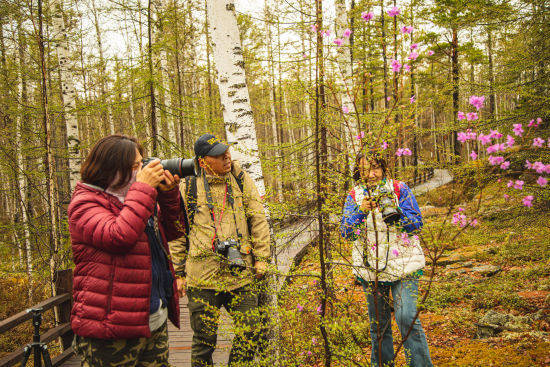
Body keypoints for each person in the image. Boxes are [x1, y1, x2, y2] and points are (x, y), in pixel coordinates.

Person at [67, 134, 186, 366]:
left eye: (141, 163)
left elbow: (174, 232)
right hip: (111, 330)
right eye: (135, 166)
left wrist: (169, 194)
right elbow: (119, 236)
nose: (142, 170)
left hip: (152, 320)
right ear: (112, 168)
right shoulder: (85, 203)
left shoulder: (135, 198)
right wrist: (143, 189)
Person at [170, 133, 271, 367]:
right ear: (204, 161)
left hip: (240, 273)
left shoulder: (240, 178)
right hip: (202, 277)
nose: (227, 157)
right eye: (219, 155)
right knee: (204, 341)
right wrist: (178, 273)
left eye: (227, 152)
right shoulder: (188, 186)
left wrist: (262, 257)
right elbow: (177, 233)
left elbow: (257, 218)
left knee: (250, 330)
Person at [340, 151, 432, 367]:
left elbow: (416, 224)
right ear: (358, 171)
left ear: (383, 168)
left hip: (405, 265)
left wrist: (395, 212)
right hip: (371, 269)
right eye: (365, 169)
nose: (371, 174)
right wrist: (361, 212)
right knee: (379, 325)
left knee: (406, 317)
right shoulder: (354, 196)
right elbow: (346, 233)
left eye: (375, 168)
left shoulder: (400, 189)